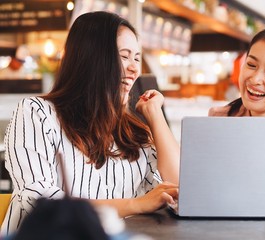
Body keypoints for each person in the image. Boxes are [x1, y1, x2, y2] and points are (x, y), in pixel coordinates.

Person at [1, 11, 180, 235]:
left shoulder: (134, 133)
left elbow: (179, 191)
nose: (135, 68)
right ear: (91, 58)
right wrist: (136, 204)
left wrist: (155, 115)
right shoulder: (37, 112)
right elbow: (39, 199)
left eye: (136, 57)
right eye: (124, 56)